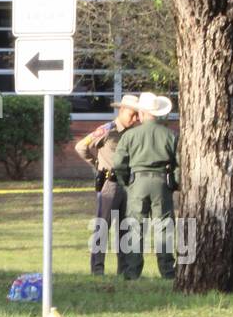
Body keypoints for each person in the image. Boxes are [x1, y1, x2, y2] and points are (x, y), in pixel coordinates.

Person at [113, 91, 178, 280]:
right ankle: (167, 271)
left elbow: (118, 163)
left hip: (137, 183)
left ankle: (132, 273)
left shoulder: (130, 135)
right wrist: (173, 182)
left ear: (141, 114)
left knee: (135, 227)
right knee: (164, 227)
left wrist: (125, 181)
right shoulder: (170, 135)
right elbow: (180, 163)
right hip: (161, 183)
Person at [75, 95, 140, 275]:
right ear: (122, 111)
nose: (135, 119)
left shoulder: (135, 133)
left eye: (137, 116)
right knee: (102, 227)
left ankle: (124, 270)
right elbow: (81, 146)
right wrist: (96, 164)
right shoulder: (107, 130)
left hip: (129, 184)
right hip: (109, 184)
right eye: (132, 115)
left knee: (125, 228)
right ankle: (97, 270)